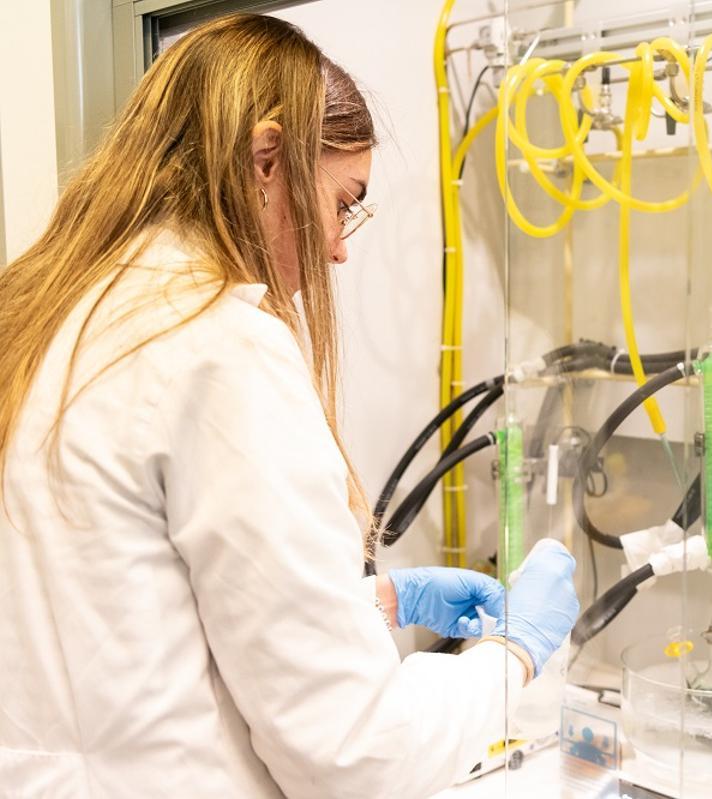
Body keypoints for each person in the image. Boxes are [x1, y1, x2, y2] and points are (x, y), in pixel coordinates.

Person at [0, 14, 578, 799]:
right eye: (345, 202)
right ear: (267, 159)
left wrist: (374, 600)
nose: (340, 246)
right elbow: (357, 756)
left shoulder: (51, 314)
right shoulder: (216, 342)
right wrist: (514, 654)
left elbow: (115, 603)